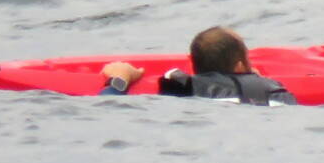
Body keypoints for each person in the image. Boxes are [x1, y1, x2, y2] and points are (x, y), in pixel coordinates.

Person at [98, 26, 296, 105]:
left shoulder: (181, 88)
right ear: (239, 67)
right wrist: (256, 81)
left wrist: (118, 80)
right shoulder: (277, 92)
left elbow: (106, 110)